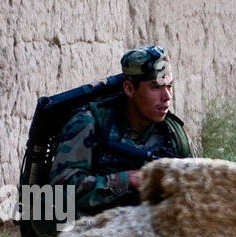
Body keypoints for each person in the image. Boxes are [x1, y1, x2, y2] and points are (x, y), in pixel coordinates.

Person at [49, 45, 191, 222]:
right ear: (129, 89)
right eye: (156, 87)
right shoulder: (89, 124)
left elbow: (191, 189)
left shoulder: (172, 133)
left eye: (169, 86)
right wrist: (127, 180)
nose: (167, 96)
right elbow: (59, 194)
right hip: (90, 234)